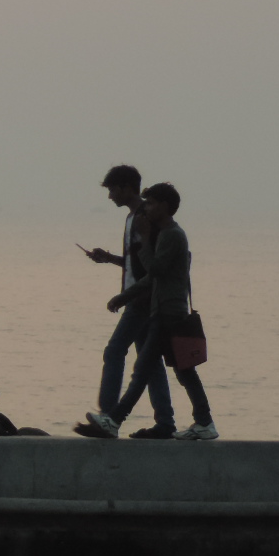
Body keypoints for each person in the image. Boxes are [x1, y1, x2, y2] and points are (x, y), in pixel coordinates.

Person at [84, 183, 217, 440]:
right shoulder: (168, 235)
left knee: (144, 369)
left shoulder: (172, 235)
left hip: (168, 315)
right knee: (182, 372)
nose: (148, 208)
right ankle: (204, 422)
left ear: (166, 207)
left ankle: (113, 420)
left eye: (153, 203)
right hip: (163, 311)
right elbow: (153, 277)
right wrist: (124, 297)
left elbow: (153, 270)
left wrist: (145, 238)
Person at [76, 164, 175, 439]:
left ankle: (107, 418)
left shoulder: (145, 217)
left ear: (126, 188)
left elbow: (154, 266)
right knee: (150, 363)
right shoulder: (133, 217)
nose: (110, 196)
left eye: (112, 190)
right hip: (141, 296)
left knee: (115, 350)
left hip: (142, 299)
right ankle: (165, 422)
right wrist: (109, 258)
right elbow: (137, 263)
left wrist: (128, 295)